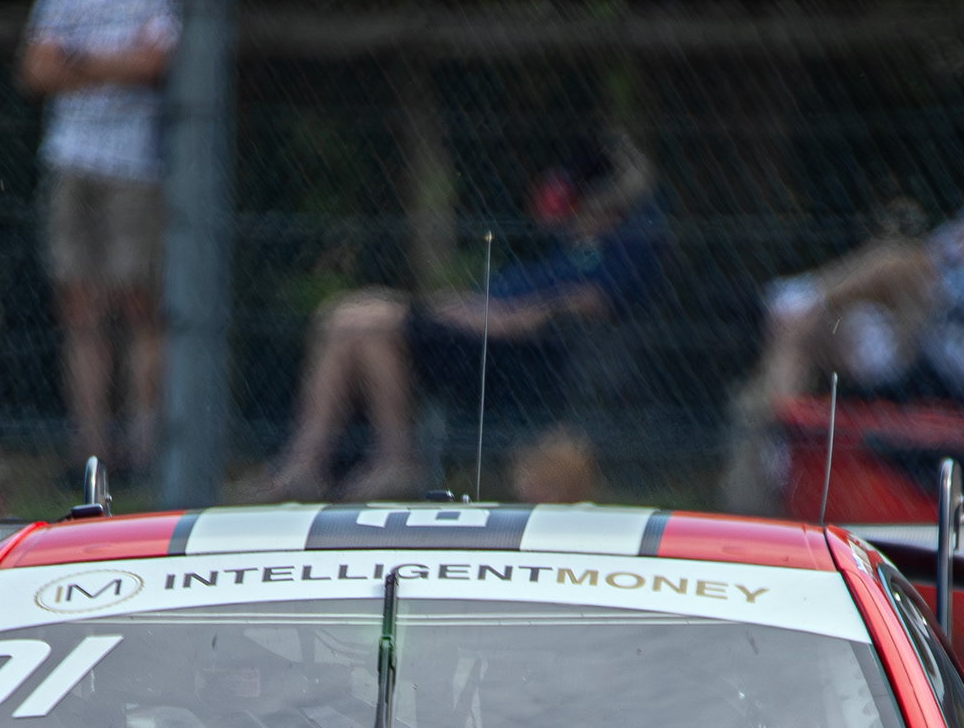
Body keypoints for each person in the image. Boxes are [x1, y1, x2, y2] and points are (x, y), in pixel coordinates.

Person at [262, 135, 663, 499]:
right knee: (348, 320)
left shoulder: (623, 243)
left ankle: (389, 461)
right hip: (474, 326)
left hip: (507, 352)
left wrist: (493, 317)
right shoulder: (567, 244)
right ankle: (308, 464)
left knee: (361, 321)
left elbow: (582, 304)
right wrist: (464, 307)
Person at [743, 112, 964, 420]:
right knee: (800, 334)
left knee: (893, 260)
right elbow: (931, 256)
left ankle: (804, 294)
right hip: (932, 315)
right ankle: (780, 446)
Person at [20, 0, 182, 483]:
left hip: (137, 164)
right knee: (79, 305)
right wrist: (115, 63)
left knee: (139, 303)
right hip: (71, 157)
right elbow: (35, 68)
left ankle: (144, 451)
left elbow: (156, 64)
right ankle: (89, 453)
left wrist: (79, 62)